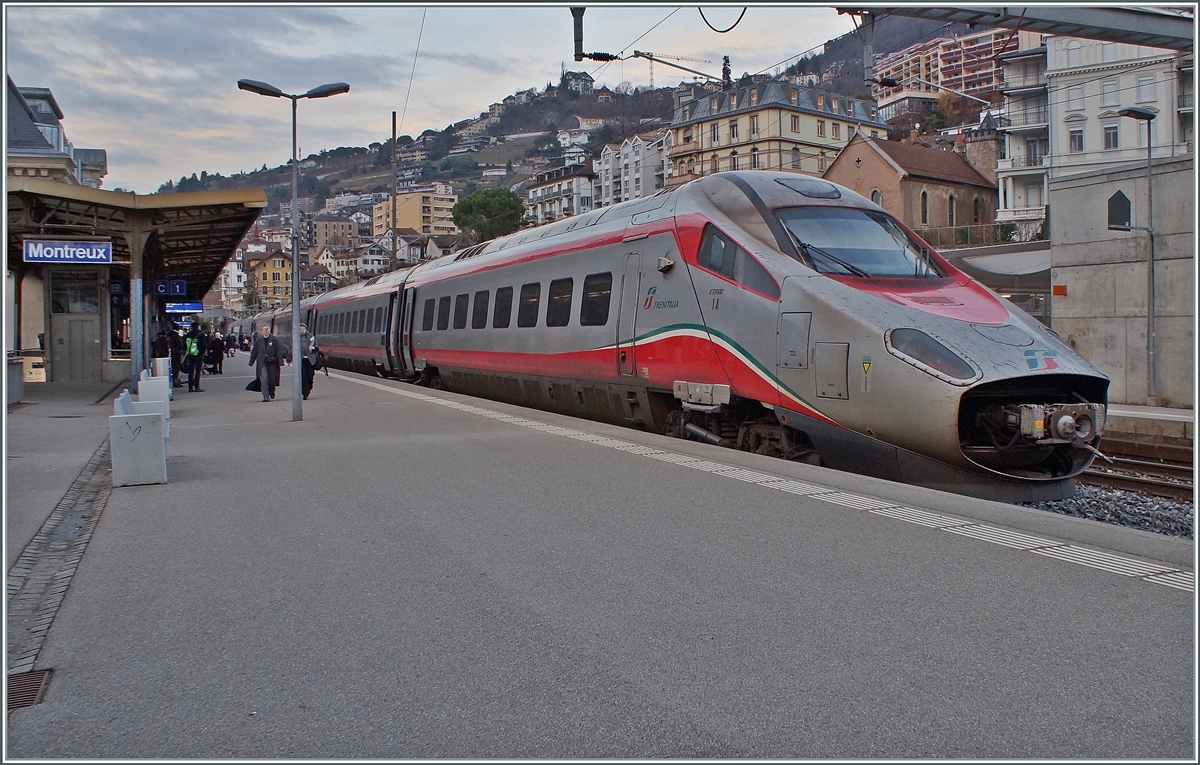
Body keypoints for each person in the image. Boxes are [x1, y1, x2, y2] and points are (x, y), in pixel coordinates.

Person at [248, 324, 286, 402]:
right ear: (262, 331)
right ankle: (266, 396)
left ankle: (272, 391)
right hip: (262, 363)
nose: (266, 331)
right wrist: (251, 362)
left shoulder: (274, 340)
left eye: (267, 330)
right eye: (264, 330)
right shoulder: (259, 341)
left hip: (272, 363)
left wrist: (280, 362)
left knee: (271, 379)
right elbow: (254, 352)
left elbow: (278, 351)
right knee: (264, 379)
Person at [183, 324, 208, 392]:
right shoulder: (201, 334)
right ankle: (197, 386)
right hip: (199, 354)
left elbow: (185, 344)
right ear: (198, 327)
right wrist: (203, 352)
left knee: (191, 370)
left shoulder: (188, 334)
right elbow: (204, 344)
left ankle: (190, 387)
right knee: (198, 371)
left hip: (190, 354)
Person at [298, 322, 319, 400]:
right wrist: (289, 359)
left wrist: (312, 348)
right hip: (301, 360)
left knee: (310, 375)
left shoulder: (311, 337)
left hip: (310, 360)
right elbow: (292, 348)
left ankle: (309, 388)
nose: (302, 331)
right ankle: (305, 393)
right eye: (300, 329)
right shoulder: (296, 338)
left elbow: (316, 346)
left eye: (303, 329)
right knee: (303, 376)